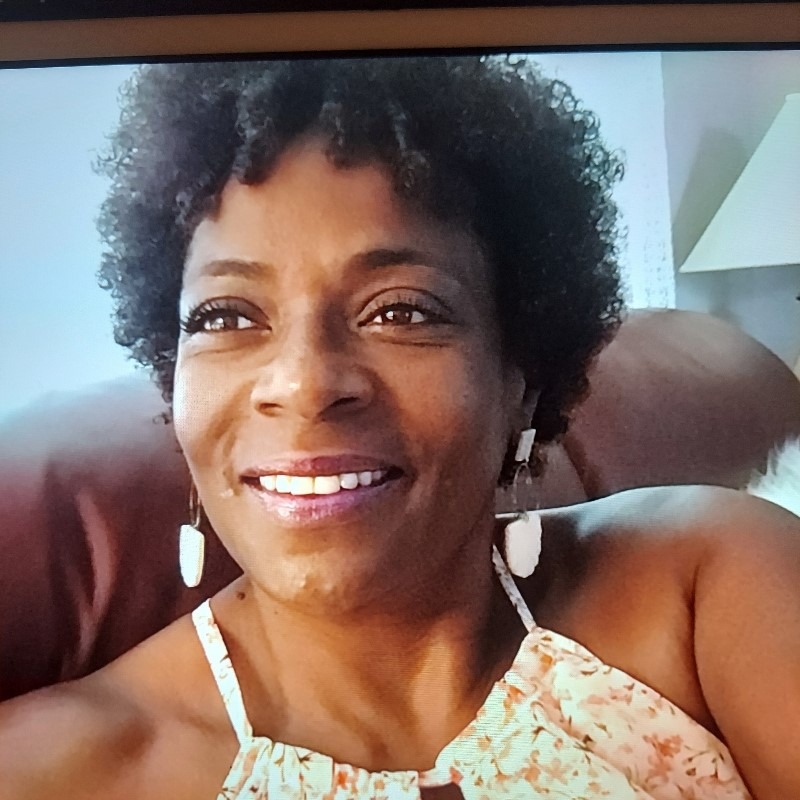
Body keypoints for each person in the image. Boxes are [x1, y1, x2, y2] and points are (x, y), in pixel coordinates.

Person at [1, 55, 798, 800]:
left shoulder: (706, 586)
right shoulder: (54, 771)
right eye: (228, 315)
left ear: (520, 376)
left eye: (400, 310)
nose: (306, 384)